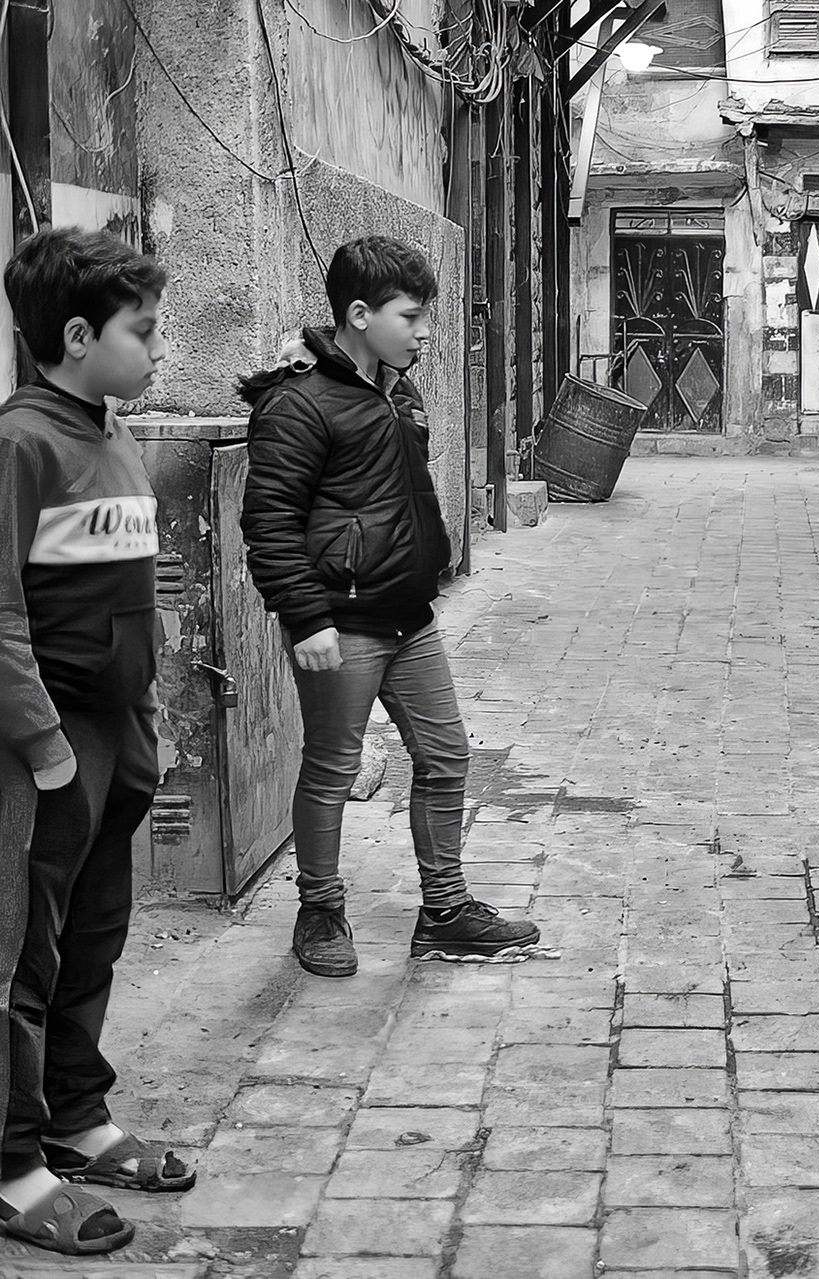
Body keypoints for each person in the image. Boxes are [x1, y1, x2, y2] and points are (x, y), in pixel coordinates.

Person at [239, 236, 540, 978]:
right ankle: (319, 909)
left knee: (446, 756)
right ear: (359, 314)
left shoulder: (399, 390)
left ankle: (445, 910)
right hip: (340, 621)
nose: (426, 331)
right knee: (332, 767)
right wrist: (305, 617)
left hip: (409, 616)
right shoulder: (297, 403)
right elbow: (269, 521)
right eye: (411, 316)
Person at [0, 227, 189, 1256]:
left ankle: (75, 1115)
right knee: (24, 953)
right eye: (142, 331)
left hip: (122, 734)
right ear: (78, 337)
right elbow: (1, 615)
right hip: (50, 747)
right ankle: (12, 1165)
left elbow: (131, 600)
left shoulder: (112, 432)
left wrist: (145, 724)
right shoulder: (21, 443)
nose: (158, 349)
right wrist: (46, 749)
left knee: (95, 934)